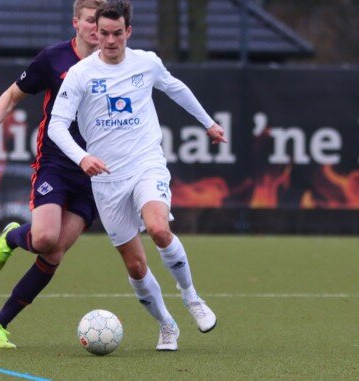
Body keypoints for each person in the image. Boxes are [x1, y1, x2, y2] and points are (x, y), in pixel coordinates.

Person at [48, 0, 226, 351]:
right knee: (135, 264)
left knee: (159, 228)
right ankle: (167, 324)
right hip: (106, 179)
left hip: (146, 163)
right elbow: (56, 126)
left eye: (117, 34)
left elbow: (176, 89)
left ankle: (191, 297)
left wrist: (208, 123)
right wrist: (83, 158)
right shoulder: (81, 74)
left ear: (128, 32)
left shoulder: (146, 63)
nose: (110, 41)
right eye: (104, 34)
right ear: (94, 33)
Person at [0, 0, 106, 349]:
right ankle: (12, 237)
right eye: (91, 21)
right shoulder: (54, 58)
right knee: (46, 238)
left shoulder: (115, 64)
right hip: (55, 164)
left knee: (54, 253)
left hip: (93, 174)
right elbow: (13, 93)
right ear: (75, 23)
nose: (97, 28)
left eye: (103, 22)